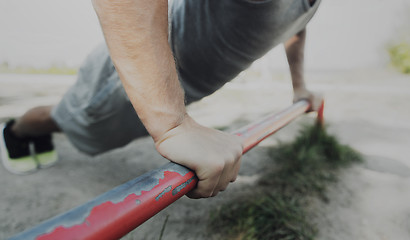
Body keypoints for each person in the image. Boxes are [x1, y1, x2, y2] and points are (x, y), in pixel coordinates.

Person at [0, 0, 321, 199]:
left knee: (97, 131)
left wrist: (299, 86)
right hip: (141, 71)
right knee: (68, 119)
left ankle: (37, 136)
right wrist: (172, 124)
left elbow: (295, 26)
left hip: (178, 90)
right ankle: (15, 133)